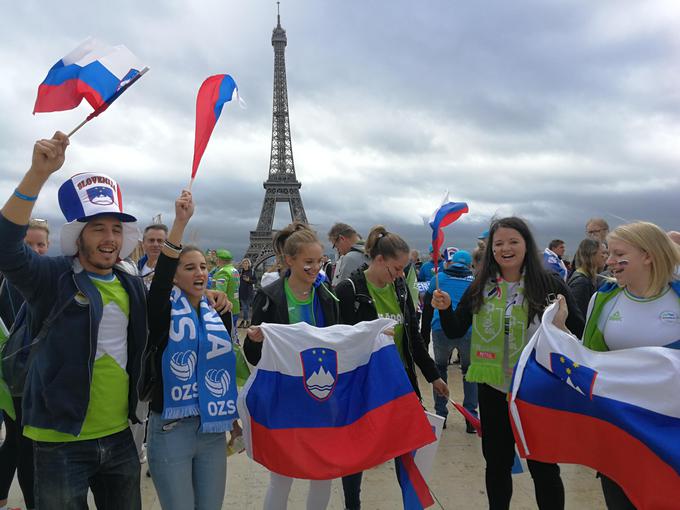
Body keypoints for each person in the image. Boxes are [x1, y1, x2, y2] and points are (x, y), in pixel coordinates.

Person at [0, 132, 148, 509]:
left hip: (119, 438)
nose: (110, 237)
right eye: (98, 228)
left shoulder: (131, 284)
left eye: (117, 229)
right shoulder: (51, 279)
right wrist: (37, 174)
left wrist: (210, 298)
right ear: (78, 236)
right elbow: (5, 247)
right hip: (58, 441)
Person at [431, 217, 584, 510]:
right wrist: (447, 308)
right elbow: (454, 329)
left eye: (513, 241)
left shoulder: (549, 285)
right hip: (494, 388)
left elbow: (580, 331)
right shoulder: (481, 287)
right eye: (498, 243)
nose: (505, 248)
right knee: (497, 465)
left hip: (537, 389)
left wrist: (562, 327)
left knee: (544, 466)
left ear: (527, 245)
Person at [554, 221, 680, 510]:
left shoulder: (676, 297)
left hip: (671, 430)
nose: (608, 261)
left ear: (648, 255)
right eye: (608, 253)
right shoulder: (604, 299)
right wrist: (559, 330)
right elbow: (586, 359)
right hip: (620, 429)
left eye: (618, 254)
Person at [334, 225, 449, 510]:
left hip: (399, 383)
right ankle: (352, 505)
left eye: (403, 270)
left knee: (407, 451)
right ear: (379, 259)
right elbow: (339, 341)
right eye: (396, 268)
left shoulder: (399, 289)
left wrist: (433, 375)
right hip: (364, 384)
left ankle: (411, 504)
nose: (400, 275)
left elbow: (412, 335)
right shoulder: (349, 290)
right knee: (356, 452)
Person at [144, 190, 240, 510]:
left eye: (202, 267)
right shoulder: (162, 311)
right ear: (174, 274)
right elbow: (159, 283)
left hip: (211, 428)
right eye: (189, 268)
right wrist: (180, 223)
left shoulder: (218, 313)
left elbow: (223, 368)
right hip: (172, 429)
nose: (199, 273)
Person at [244, 222, 339, 510]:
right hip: (284, 397)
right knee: (282, 476)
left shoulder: (327, 296)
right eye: (308, 262)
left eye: (319, 261)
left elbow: (340, 340)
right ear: (290, 260)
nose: (315, 268)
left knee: (324, 473)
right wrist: (257, 340)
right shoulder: (270, 296)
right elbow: (252, 354)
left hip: (321, 393)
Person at [0, 218, 50, 510]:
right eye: (27, 244)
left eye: (40, 244)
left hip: (44, 378)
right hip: (15, 382)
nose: (34, 250)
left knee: (19, 445)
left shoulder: (53, 279)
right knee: (25, 445)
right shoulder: (7, 283)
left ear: (48, 246)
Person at [421, 249, 477, 432]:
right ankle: (470, 416)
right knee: (469, 372)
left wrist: (424, 335)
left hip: (440, 329)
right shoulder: (475, 282)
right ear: (469, 265)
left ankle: (440, 415)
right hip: (468, 331)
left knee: (440, 370)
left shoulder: (439, 278)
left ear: (450, 263)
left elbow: (428, 309)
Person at [567, 239, 608, 318]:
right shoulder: (581, 282)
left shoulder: (587, 278)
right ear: (591, 254)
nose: (606, 257)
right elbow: (578, 317)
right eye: (603, 253)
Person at [328, 222, 368, 287]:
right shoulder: (372, 251)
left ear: (342, 239)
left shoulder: (350, 258)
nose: (338, 251)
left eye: (336, 246)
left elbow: (341, 290)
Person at [213, 249, 240, 331]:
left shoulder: (223, 272)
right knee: (233, 334)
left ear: (219, 260)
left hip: (225, 308)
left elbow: (219, 292)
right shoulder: (234, 270)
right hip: (235, 306)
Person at [138, 223, 168, 289]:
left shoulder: (173, 270)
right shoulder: (138, 266)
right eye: (151, 240)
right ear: (143, 244)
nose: (155, 244)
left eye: (160, 241)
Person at [238, 258, 255, 328]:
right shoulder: (240, 272)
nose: (245, 264)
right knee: (245, 308)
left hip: (248, 292)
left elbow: (255, 281)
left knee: (246, 308)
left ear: (249, 264)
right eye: (244, 263)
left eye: (246, 263)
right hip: (241, 292)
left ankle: (245, 321)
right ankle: (246, 321)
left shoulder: (252, 272)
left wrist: (249, 280)